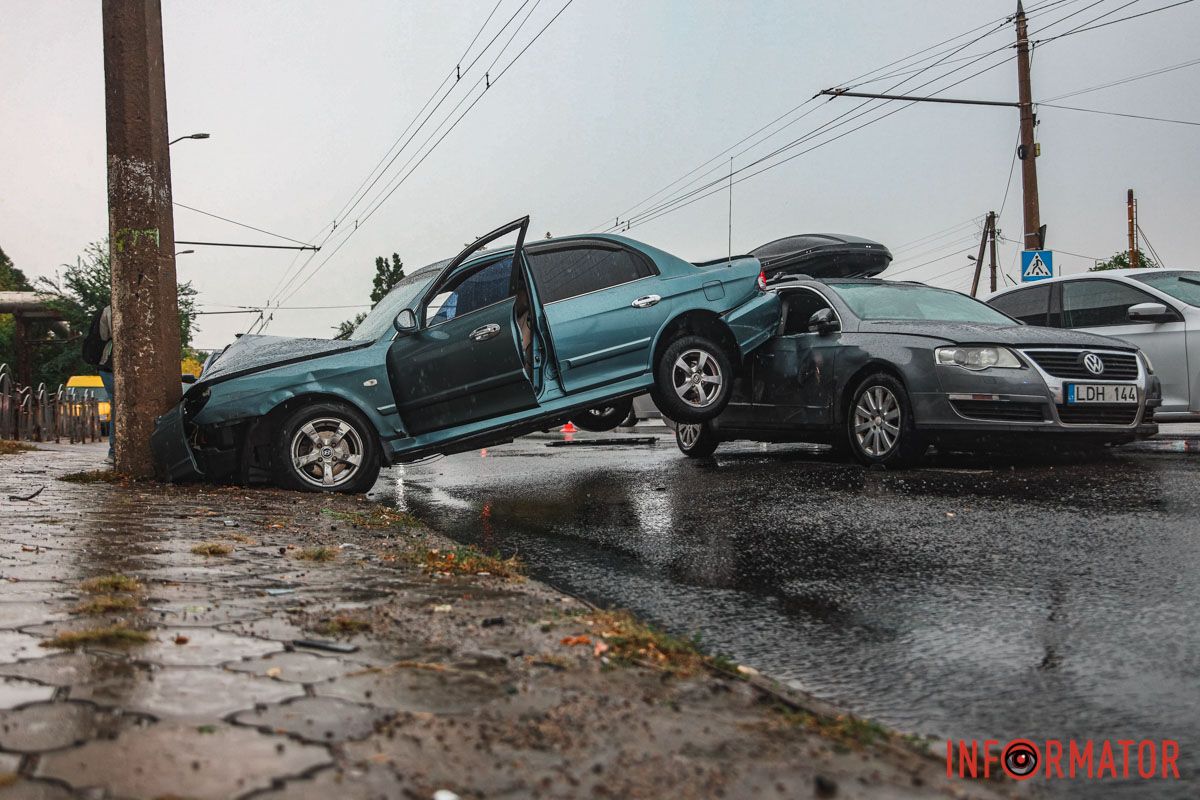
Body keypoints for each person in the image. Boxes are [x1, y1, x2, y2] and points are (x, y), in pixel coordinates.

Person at [96, 305, 115, 464]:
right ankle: (114, 451)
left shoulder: (108, 309)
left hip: (107, 363)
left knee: (116, 406)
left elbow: (103, 335)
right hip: (114, 363)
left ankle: (113, 451)